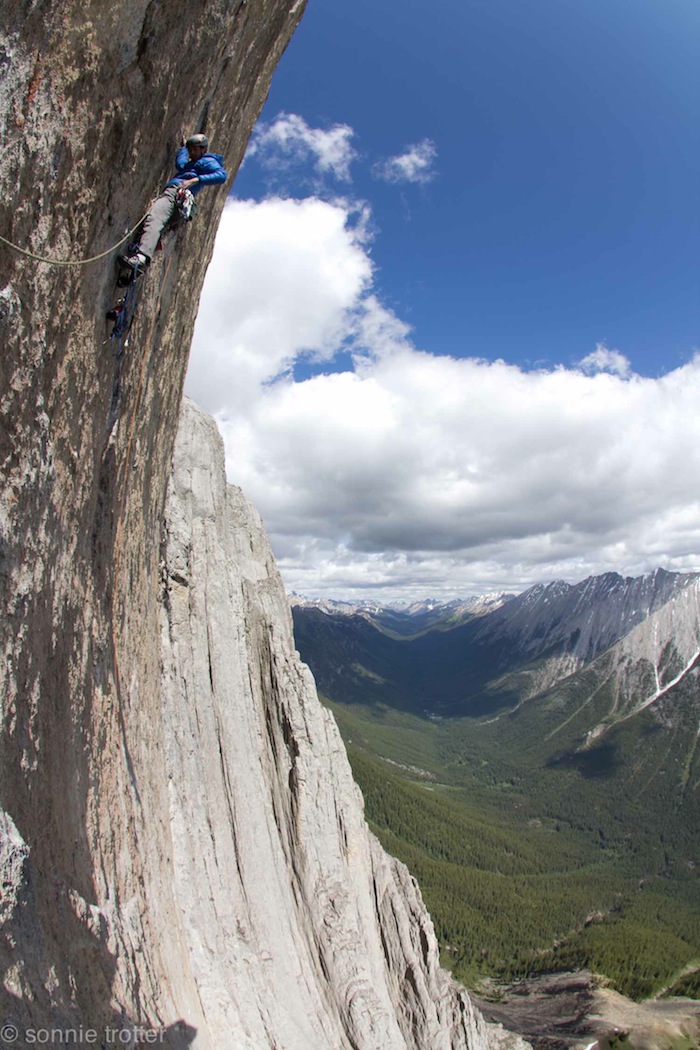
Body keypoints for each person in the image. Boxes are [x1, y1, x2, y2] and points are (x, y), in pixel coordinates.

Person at [119, 134, 227, 271]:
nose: (192, 152)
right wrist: (183, 149)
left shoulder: (207, 160)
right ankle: (136, 267)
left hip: (176, 193)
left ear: (203, 149)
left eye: (195, 149)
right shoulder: (190, 164)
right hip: (180, 204)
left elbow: (222, 175)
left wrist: (196, 180)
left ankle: (141, 258)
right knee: (155, 228)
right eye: (191, 150)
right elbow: (180, 164)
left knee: (155, 218)